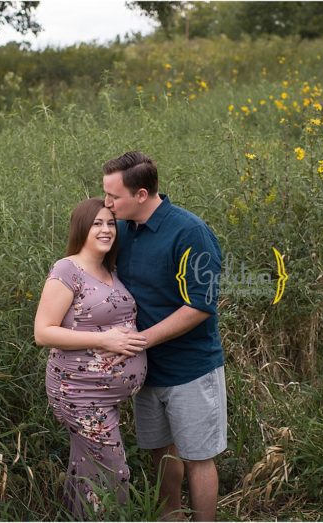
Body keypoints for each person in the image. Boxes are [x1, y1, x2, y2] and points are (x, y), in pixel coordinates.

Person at [102, 151, 226, 521]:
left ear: (141, 194)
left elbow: (200, 305)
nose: (107, 204)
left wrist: (143, 340)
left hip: (190, 367)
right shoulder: (122, 230)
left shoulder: (190, 232)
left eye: (114, 197)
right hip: (146, 369)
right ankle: (169, 517)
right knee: (161, 452)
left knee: (198, 458)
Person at [34, 198, 149, 519]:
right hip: (79, 394)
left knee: (88, 467)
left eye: (111, 223)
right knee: (114, 471)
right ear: (82, 227)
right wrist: (105, 339)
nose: (106, 229)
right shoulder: (67, 269)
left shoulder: (110, 270)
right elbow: (43, 332)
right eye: (97, 223)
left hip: (104, 396)